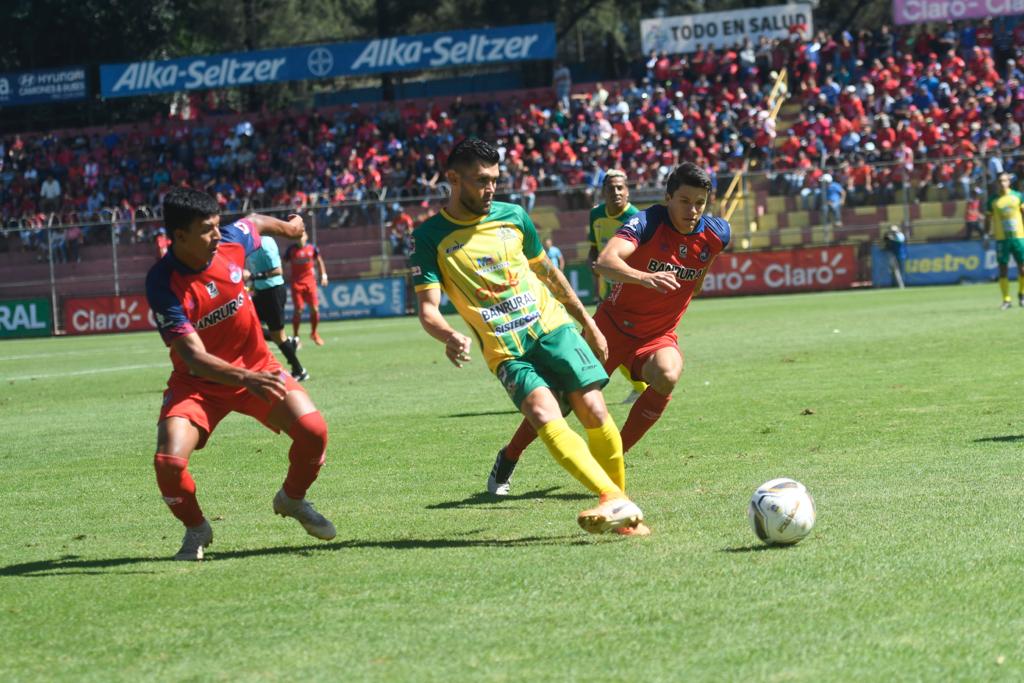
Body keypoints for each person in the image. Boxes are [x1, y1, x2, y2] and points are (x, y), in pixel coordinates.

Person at [410, 138, 648, 536]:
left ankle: (619, 508)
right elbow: (428, 309)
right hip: (504, 349)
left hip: (552, 327)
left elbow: (550, 276)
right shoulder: (430, 237)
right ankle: (614, 500)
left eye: (494, 181)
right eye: (480, 181)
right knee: (541, 414)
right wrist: (448, 334)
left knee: (594, 410)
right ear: (452, 178)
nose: (490, 190)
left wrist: (588, 324)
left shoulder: (514, 216)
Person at [489, 163, 729, 502]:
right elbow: (604, 261)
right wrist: (645, 277)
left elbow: (701, 268)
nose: (692, 210)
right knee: (560, 402)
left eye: (700, 203)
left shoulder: (716, 234)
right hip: (611, 329)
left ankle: (612, 458)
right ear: (668, 198)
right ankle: (509, 457)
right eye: (684, 201)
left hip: (657, 336)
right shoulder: (646, 222)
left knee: (668, 374)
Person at [145, 188, 335, 561]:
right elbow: (193, 356)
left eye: (217, 226)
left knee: (314, 432)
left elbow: (255, 222)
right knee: (168, 462)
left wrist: (289, 229)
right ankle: (197, 528)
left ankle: (292, 500)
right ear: (179, 236)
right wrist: (245, 378)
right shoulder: (162, 283)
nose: (218, 235)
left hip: (259, 370)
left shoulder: (229, 241)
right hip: (199, 386)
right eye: (206, 230)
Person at [587, 169, 647, 404]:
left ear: (628, 191)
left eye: (620, 187)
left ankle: (585, 391)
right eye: (611, 188)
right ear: (603, 192)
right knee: (608, 343)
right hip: (606, 292)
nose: (616, 192)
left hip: (628, 294)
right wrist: (595, 273)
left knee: (606, 343)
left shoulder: (636, 218)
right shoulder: (595, 215)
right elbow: (593, 246)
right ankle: (641, 387)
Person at [245, 234, 308, 382]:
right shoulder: (249, 245)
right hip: (261, 292)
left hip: (273, 293)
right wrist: (252, 286)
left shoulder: (266, 243)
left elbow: (278, 270)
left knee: (278, 337)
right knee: (247, 325)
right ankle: (290, 342)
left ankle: (299, 370)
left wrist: (253, 277)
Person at [985, 172, 1024, 309]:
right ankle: (1006, 299)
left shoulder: (1018, 196)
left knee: (1023, 268)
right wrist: (986, 235)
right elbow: (987, 219)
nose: (1002, 183)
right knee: (1003, 269)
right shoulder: (993, 200)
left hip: (1019, 237)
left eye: (1005, 180)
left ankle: (1022, 294)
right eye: (1000, 181)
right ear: (997, 183)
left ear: (1009, 182)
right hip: (1002, 239)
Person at [284, 231, 329, 344]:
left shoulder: (312, 248)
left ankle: (314, 333)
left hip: (310, 283)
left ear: (306, 237)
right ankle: (296, 337)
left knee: (315, 308)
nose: (300, 239)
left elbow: (319, 261)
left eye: (302, 236)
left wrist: (324, 275)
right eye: (298, 237)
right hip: (296, 284)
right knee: (299, 310)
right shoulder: (291, 250)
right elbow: (283, 263)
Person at [882, 224, 907, 289]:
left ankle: (901, 284)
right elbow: (885, 242)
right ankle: (899, 285)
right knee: (895, 270)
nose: (893, 232)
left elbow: (900, 240)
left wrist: (892, 238)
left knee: (901, 270)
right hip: (893, 255)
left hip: (901, 255)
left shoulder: (900, 235)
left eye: (894, 231)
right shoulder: (890, 236)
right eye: (892, 231)